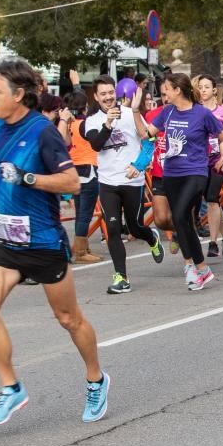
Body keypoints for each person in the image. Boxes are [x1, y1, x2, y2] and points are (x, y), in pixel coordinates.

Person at [0, 60, 108, 425]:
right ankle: (11, 388)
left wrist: (27, 178)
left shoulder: (42, 131)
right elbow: (4, 170)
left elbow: (72, 184)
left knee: (68, 318)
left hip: (43, 241)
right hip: (4, 240)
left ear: (19, 95)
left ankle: (96, 378)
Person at [149, 73, 223, 291]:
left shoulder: (202, 114)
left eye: (166, 88)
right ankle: (202, 269)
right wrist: (135, 110)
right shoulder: (167, 112)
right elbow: (147, 133)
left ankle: (192, 268)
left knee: (179, 216)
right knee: (182, 221)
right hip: (172, 173)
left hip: (196, 172)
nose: (163, 92)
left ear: (178, 90)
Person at [84, 75, 165, 294]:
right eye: (103, 94)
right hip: (108, 182)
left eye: (111, 92)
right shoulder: (91, 120)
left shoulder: (132, 114)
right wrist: (108, 123)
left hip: (132, 180)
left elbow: (150, 142)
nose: (108, 97)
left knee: (134, 226)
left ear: (116, 92)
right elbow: (96, 144)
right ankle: (121, 277)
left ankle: (151, 237)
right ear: (96, 96)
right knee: (112, 228)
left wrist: (138, 165)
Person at [197, 74, 223, 259]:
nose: (203, 90)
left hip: (218, 161)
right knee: (212, 202)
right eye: (200, 87)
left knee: (212, 198)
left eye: (206, 87)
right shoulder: (194, 111)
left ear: (214, 90)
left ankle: (213, 243)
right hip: (200, 162)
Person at [64, 91, 101, 263]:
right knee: (85, 214)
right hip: (88, 170)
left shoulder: (67, 124)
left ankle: (83, 247)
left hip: (74, 170)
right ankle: (80, 251)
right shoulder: (85, 124)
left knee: (80, 212)